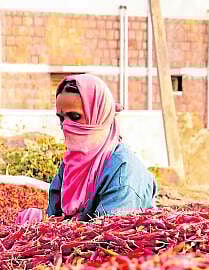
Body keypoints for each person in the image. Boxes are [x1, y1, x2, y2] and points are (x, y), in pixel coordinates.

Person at [17, 74, 157, 224]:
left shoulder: (123, 172)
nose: (66, 125)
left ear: (99, 115)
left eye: (75, 116)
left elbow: (105, 235)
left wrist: (52, 224)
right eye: (62, 118)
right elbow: (55, 217)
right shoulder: (71, 164)